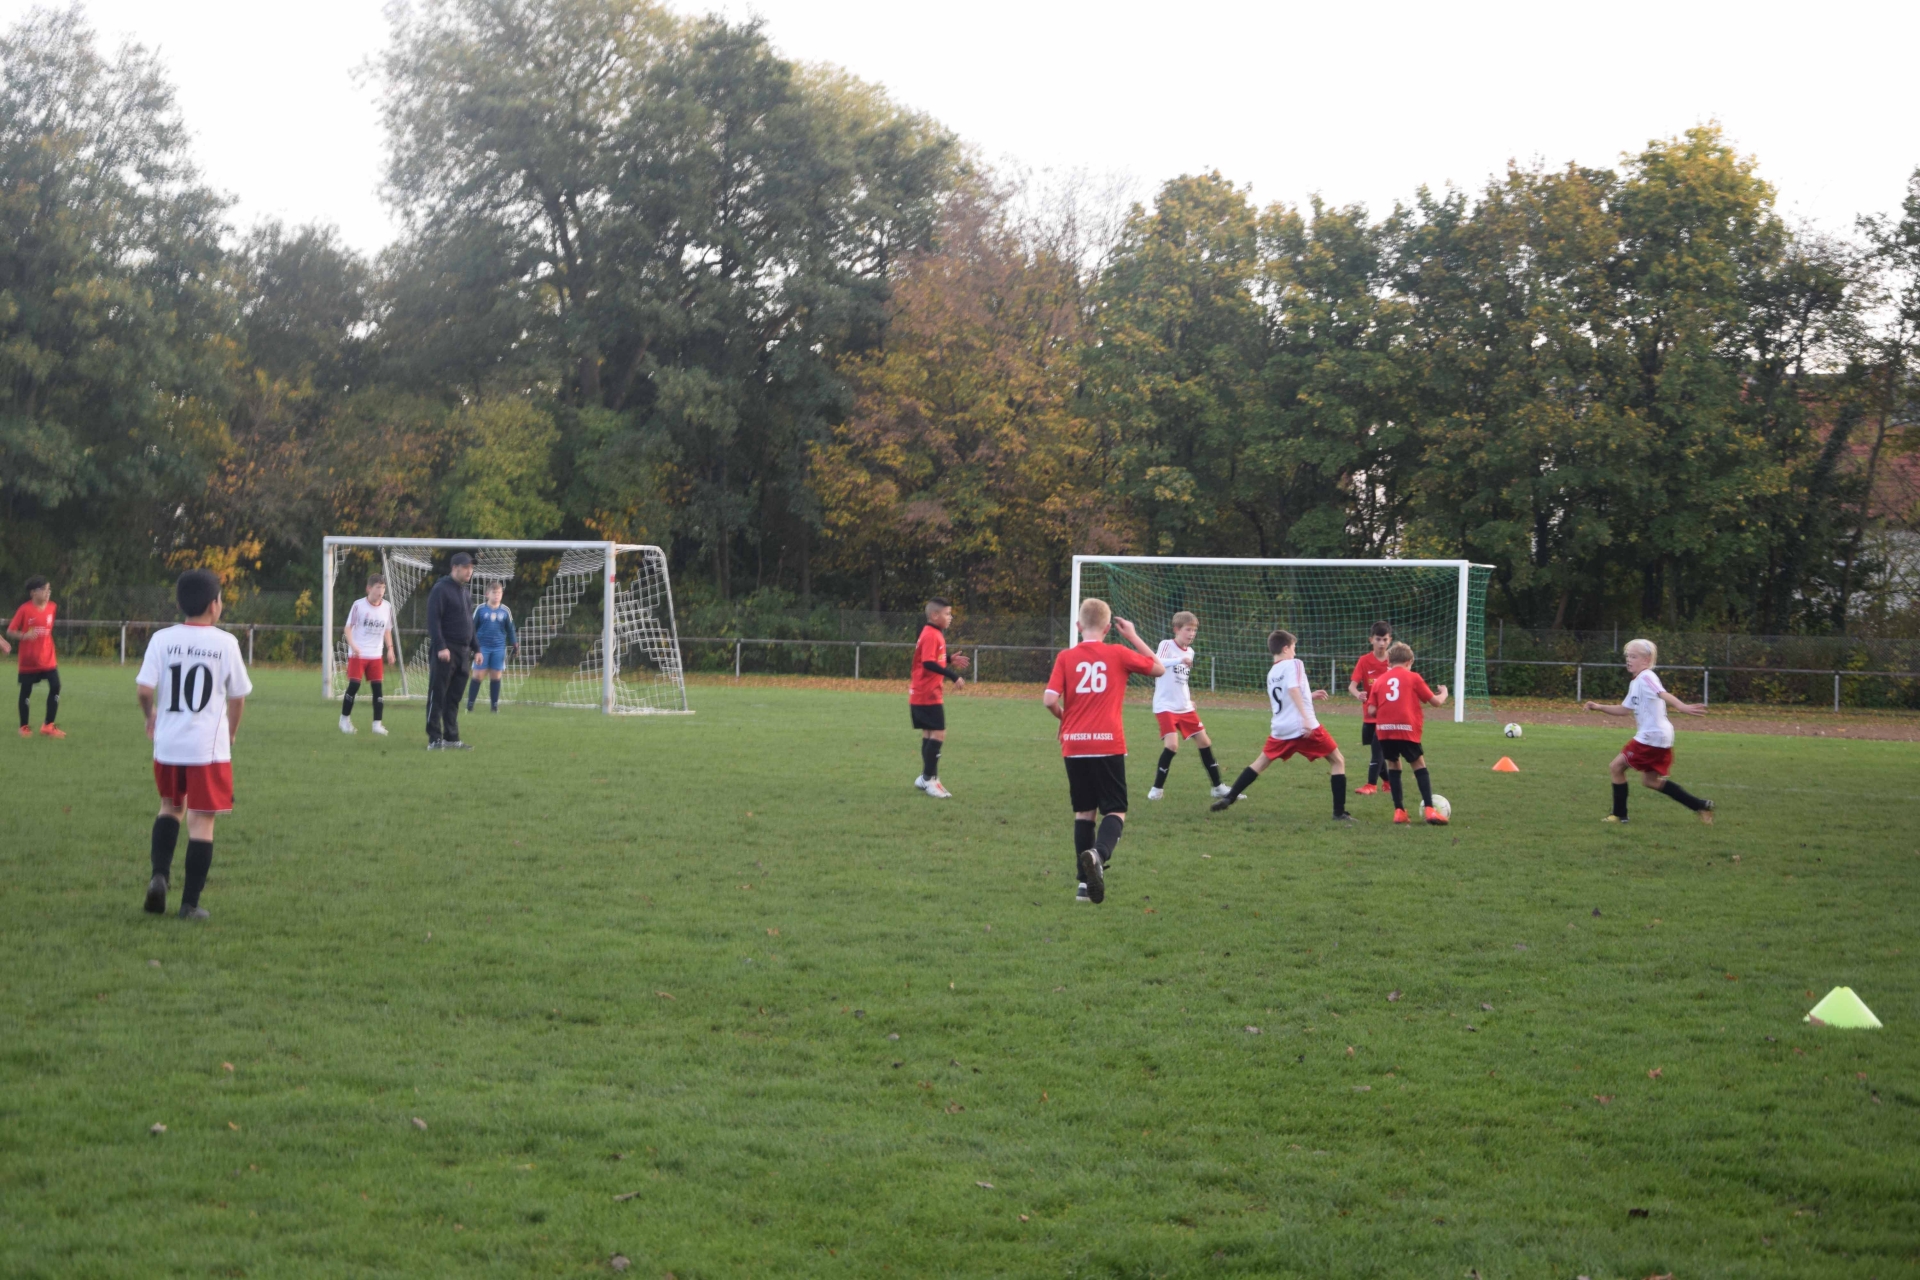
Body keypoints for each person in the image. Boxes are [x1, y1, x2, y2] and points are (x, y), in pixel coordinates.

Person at [136, 569, 251, 920]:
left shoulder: (162, 639)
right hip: (207, 750)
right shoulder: (225, 643)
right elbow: (238, 697)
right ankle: (189, 905)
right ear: (214, 604)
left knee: (170, 808)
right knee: (201, 823)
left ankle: (159, 876)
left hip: (169, 745)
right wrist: (231, 732)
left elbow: (144, 690)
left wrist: (150, 716)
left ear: (180, 603)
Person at [1042, 598, 1165, 904]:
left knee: (1084, 812)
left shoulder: (1066, 657)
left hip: (1074, 744)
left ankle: (1084, 887)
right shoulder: (1118, 652)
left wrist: (1064, 718)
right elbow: (1159, 668)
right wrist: (1132, 636)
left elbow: (1049, 699)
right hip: (1107, 742)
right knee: (1115, 810)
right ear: (1109, 628)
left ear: (1078, 626)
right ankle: (1098, 854)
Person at [1210, 629, 1350, 821]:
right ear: (1285, 648)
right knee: (1337, 761)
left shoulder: (1272, 672)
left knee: (1260, 763)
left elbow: (1286, 696)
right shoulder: (1295, 663)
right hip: (1303, 727)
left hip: (1281, 728)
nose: (1295, 652)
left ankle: (1230, 797)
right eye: (1294, 647)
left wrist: (1309, 695)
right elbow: (1292, 690)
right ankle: (1339, 813)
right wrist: (1306, 719)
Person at [1583, 638, 1713, 824]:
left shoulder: (1646, 677)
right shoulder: (1637, 682)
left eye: (1633, 656)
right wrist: (1599, 707)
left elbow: (1662, 693)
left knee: (1616, 767)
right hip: (1660, 736)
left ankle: (1619, 815)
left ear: (1646, 659)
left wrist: (1681, 706)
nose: (1629, 660)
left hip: (1651, 736)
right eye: (1628, 656)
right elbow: (1624, 709)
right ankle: (1700, 805)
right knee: (1650, 781)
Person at [1365, 642, 1449, 825]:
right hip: (1406, 728)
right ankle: (1430, 810)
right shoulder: (1413, 677)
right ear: (1409, 661)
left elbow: (1371, 711)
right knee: (1418, 764)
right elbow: (1435, 702)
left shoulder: (1380, 681)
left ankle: (1399, 811)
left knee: (1393, 765)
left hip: (1384, 731)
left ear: (1389, 661)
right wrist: (1444, 693)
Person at [1147, 610, 1228, 800]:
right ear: (1176, 629)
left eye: (1194, 630)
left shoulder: (1190, 652)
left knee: (1205, 742)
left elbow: (1182, 681)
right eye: (1188, 630)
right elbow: (1157, 663)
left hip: (1184, 707)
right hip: (1165, 705)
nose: (1191, 634)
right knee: (1172, 745)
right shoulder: (1166, 645)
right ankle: (1157, 789)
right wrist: (1178, 659)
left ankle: (1218, 787)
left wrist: (1188, 699)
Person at [909, 597, 970, 799]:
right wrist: (953, 675)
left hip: (924, 691)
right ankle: (930, 779)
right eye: (947, 614)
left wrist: (949, 659)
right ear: (935, 615)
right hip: (927, 693)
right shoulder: (931, 635)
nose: (950, 617)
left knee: (929, 734)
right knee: (938, 733)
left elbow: (932, 658)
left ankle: (926, 778)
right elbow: (928, 663)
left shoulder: (933, 633)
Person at [425, 553, 477, 750]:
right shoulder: (440, 589)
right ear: (455, 567)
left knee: (454, 698)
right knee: (438, 695)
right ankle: (434, 739)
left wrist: (477, 648)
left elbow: (470, 623)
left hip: (463, 653)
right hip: (446, 651)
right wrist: (441, 646)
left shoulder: (465, 592)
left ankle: (451, 737)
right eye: (466, 567)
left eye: (471, 568)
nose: (470, 571)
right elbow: (433, 620)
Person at [340, 573, 398, 736]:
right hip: (358, 654)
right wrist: (353, 646)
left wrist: (390, 649)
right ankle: (344, 720)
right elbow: (348, 628)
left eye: (383, 588)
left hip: (375, 655)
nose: (381, 592)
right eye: (378, 588)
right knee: (354, 686)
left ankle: (377, 724)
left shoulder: (387, 607)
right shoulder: (358, 605)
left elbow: (387, 630)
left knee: (377, 689)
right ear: (369, 589)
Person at [10, 576, 62, 739]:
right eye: (44, 589)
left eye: (49, 589)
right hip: (29, 660)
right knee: (26, 691)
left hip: (48, 658)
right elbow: (11, 631)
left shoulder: (52, 607)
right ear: (33, 592)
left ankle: (48, 725)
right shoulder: (24, 609)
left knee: (56, 685)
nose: (48, 593)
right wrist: (24, 636)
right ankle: (24, 727)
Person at [1348, 621, 1393, 795]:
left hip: (1387, 715)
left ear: (1390, 640)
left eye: (1385, 639)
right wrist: (1358, 694)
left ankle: (1370, 785)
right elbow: (1352, 686)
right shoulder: (1364, 661)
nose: (1381, 643)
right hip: (1369, 714)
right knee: (1376, 749)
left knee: (1377, 749)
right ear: (1371, 640)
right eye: (1378, 639)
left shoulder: (1393, 661)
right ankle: (1388, 782)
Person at [466, 580, 518, 713]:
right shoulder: (481, 609)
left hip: (499, 648)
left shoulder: (505, 611)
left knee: (496, 676)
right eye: (494, 593)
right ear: (487, 594)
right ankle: (470, 705)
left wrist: (515, 644)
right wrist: (470, 645)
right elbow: (472, 628)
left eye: (499, 593)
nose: (497, 595)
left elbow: (510, 629)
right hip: (482, 648)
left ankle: (494, 707)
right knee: (478, 675)